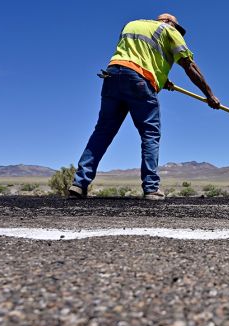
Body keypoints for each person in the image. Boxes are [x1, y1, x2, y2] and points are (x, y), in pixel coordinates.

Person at [68, 13, 220, 200]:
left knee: (102, 132)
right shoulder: (169, 31)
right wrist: (210, 95)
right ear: (169, 22)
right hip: (140, 81)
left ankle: (79, 183)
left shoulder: (132, 24)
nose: (177, 31)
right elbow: (189, 66)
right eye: (176, 27)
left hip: (113, 75)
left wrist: (162, 79)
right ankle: (151, 188)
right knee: (150, 134)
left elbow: (137, 57)